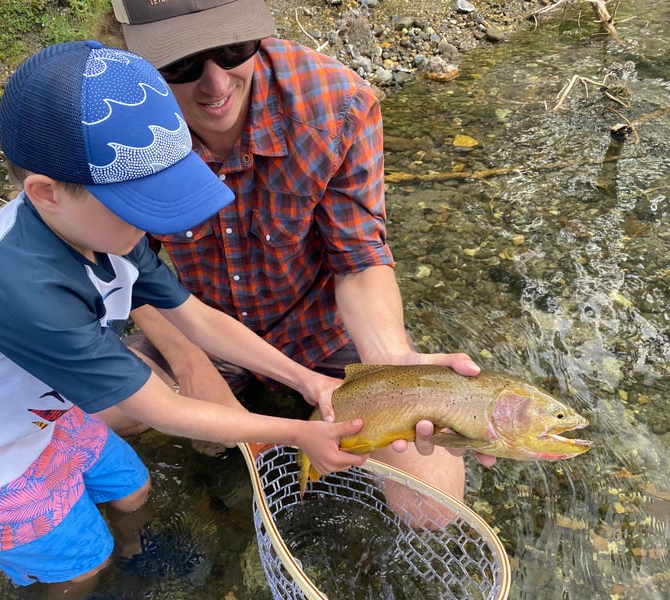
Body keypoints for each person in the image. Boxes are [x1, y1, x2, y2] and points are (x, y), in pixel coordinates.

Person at [0, 40, 368, 599]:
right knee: (82, 566)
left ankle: (134, 554)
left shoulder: (101, 232)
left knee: (132, 488)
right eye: (138, 205)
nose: (153, 226)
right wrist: (298, 432)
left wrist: (309, 382)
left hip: (33, 413)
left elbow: (198, 319)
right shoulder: (26, 291)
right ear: (45, 193)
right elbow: (165, 410)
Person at [111, 0, 496, 501]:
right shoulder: (115, 122)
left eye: (233, 48)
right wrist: (191, 365)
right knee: (79, 413)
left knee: (432, 505)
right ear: (135, 55)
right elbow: (121, 264)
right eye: (181, 63)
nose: (216, 83)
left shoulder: (337, 107)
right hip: (199, 325)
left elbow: (359, 259)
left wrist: (391, 364)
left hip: (320, 332)